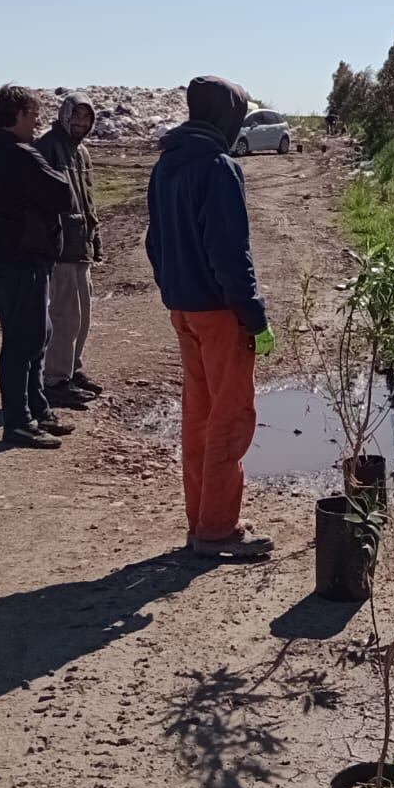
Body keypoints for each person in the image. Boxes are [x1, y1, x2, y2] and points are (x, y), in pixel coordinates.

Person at [146, 76, 277, 559]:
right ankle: (218, 530)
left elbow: (154, 245)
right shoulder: (218, 166)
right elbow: (229, 253)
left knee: (198, 418)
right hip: (220, 314)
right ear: (226, 116)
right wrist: (254, 316)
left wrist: (175, 291)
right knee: (230, 417)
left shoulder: (166, 164)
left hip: (184, 311)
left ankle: (201, 517)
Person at [0, 84, 78, 449]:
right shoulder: (16, 154)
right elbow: (63, 195)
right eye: (33, 116)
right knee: (24, 341)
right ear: (16, 115)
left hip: (9, 256)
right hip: (18, 258)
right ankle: (18, 421)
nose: (37, 124)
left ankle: (37, 408)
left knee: (38, 334)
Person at [35, 92, 105, 409]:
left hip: (81, 247)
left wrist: (95, 237)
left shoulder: (82, 153)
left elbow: (88, 202)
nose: (81, 123)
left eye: (86, 118)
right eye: (76, 116)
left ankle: (72, 370)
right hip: (60, 248)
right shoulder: (46, 148)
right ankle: (55, 380)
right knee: (64, 317)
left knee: (83, 316)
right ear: (64, 115)